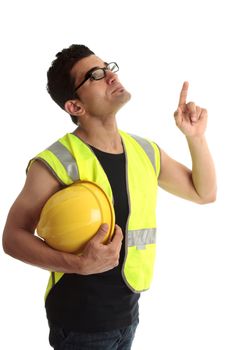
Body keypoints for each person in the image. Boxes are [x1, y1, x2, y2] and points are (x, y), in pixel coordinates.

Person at [2, 44, 217, 350]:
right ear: (75, 106)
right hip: (80, 324)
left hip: (127, 316)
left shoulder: (145, 151)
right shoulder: (56, 161)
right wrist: (77, 264)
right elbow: (12, 237)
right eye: (95, 74)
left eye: (108, 67)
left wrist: (195, 138)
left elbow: (204, 192)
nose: (110, 76)